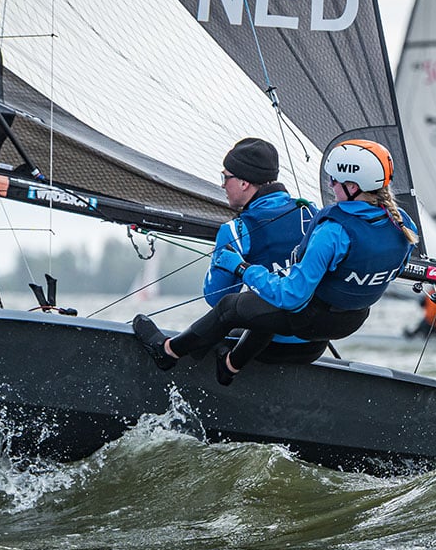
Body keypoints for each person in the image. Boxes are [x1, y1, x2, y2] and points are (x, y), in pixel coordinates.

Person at [133, 139, 419, 385]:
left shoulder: (332, 231)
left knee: (235, 306)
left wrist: (242, 268)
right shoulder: (403, 226)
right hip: (342, 328)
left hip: (304, 323)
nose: (331, 185)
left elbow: (288, 297)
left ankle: (167, 352)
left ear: (353, 186)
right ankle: (229, 366)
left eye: (334, 180)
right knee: (269, 299)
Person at [202, 137, 325, 364]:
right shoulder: (312, 212)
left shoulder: (235, 230)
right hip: (315, 344)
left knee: (217, 324)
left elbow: (215, 298)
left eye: (225, 177)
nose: (222, 185)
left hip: (266, 348)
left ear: (243, 183)